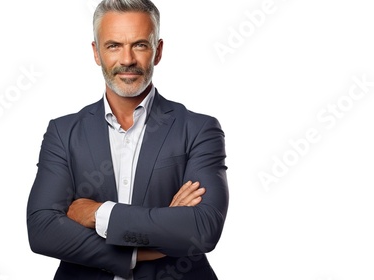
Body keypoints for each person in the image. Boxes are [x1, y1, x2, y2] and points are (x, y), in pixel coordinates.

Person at [26, 0, 229, 279]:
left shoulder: (198, 129)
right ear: (97, 53)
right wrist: (145, 246)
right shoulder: (63, 132)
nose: (127, 60)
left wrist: (98, 213)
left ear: (157, 51)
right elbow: (42, 230)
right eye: (113, 46)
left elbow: (202, 228)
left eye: (139, 45)